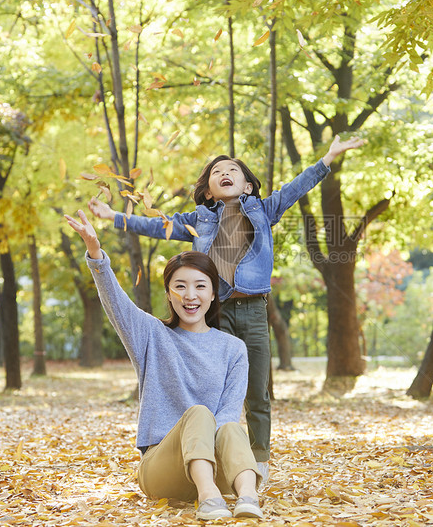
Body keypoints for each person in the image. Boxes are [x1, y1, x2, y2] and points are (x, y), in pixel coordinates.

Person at [88, 134, 364, 479]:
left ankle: (258, 462)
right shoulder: (199, 219)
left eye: (232, 170)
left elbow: (296, 188)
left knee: (257, 391)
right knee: (212, 389)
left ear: (247, 185)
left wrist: (328, 158)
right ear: (208, 191)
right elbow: (160, 226)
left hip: (253, 310)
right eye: (217, 171)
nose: (225, 173)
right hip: (213, 312)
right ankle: (207, 457)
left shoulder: (264, 209)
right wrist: (115, 216)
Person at [64, 209, 264, 520]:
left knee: (230, 425)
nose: (190, 295)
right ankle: (208, 498)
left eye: (200, 286)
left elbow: (227, 416)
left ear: (213, 294)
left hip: (215, 466)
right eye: (180, 286)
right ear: (169, 295)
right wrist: (95, 251)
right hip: (161, 469)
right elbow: (116, 302)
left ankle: (249, 497)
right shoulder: (152, 335)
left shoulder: (233, 349)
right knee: (199, 413)